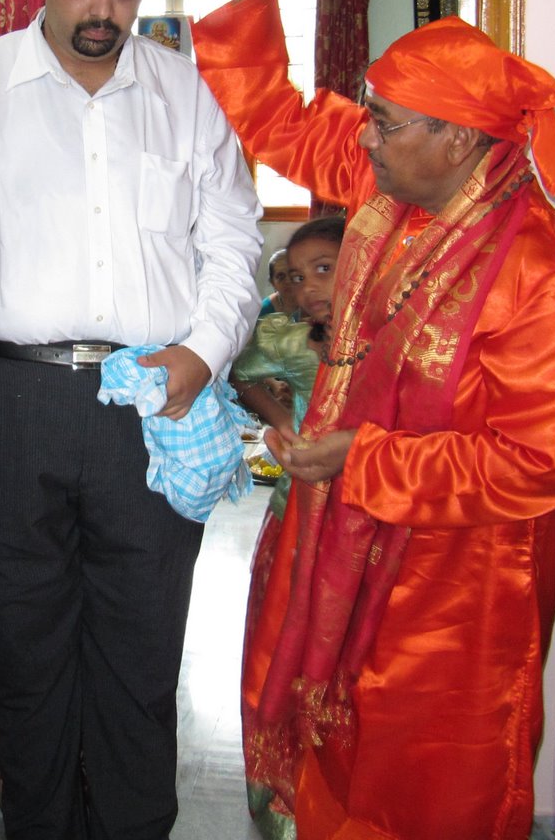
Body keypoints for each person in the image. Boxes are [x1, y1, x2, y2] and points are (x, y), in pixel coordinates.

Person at [171, 0, 555, 840]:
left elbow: (536, 465)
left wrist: (362, 462)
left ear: (459, 140)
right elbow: (278, 118)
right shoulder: (392, 190)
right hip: (342, 534)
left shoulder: (544, 278)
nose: (364, 140)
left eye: (384, 123)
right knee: (335, 754)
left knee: (428, 779)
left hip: (457, 589)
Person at [0, 0, 262, 839]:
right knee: (26, 658)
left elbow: (232, 240)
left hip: (150, 399)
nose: (103, 12)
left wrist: (205, 349)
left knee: (140, 660)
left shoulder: (183, 93)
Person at [230, 216, 343, 837]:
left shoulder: (402, 338)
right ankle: (285, 794)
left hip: (375, 518)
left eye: (324, 268)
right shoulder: (292, 340)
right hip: (298, 515)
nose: (306, 289)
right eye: (295, 277)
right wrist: (285, 423)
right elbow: (238, 369)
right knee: (286, 649)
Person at [258, 247, 298, 317]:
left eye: (292, 274)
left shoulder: (314, 303)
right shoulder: (263, 312)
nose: (288, 281)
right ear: (272, 283)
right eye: (281, 277)